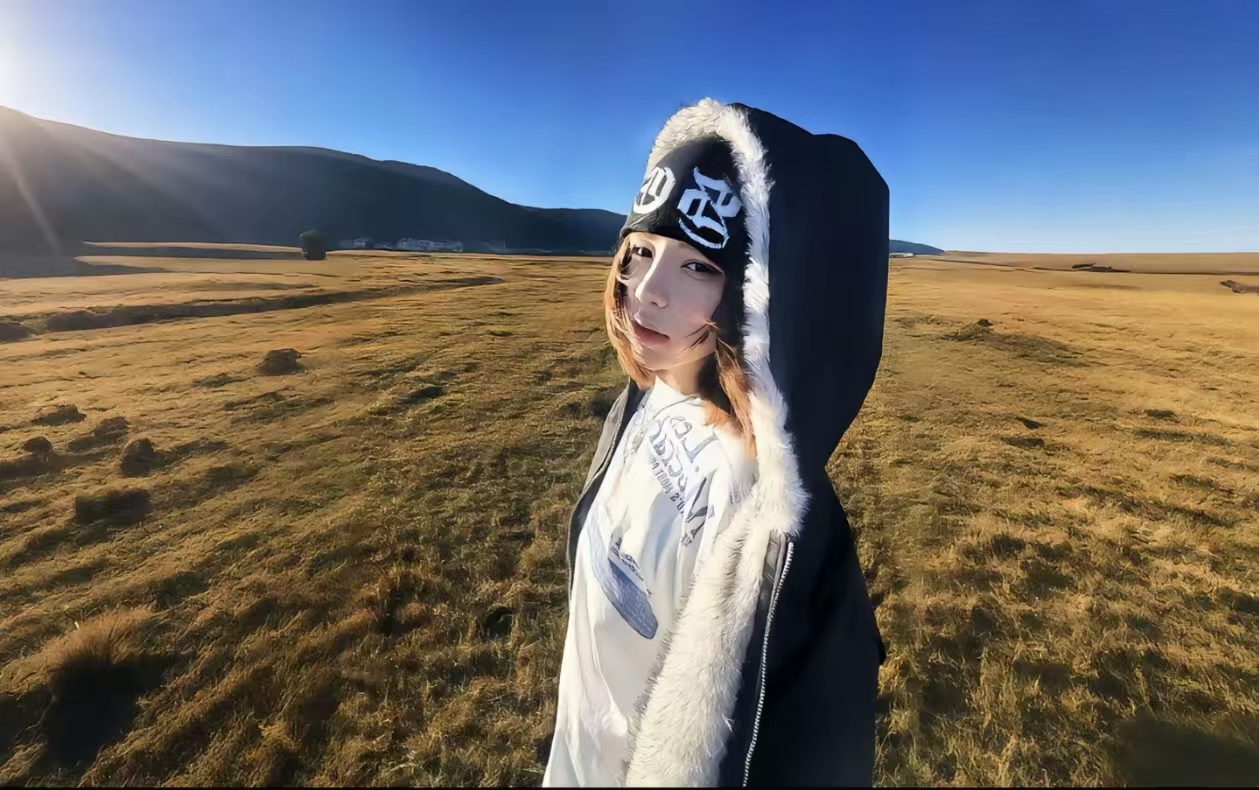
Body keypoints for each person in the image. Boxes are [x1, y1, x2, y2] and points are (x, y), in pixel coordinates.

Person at [544, 98, 890, 787]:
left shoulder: (754, 511)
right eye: (641, 252)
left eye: (698, 266)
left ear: (762, 298)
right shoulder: (651, 394)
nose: (646, 292)